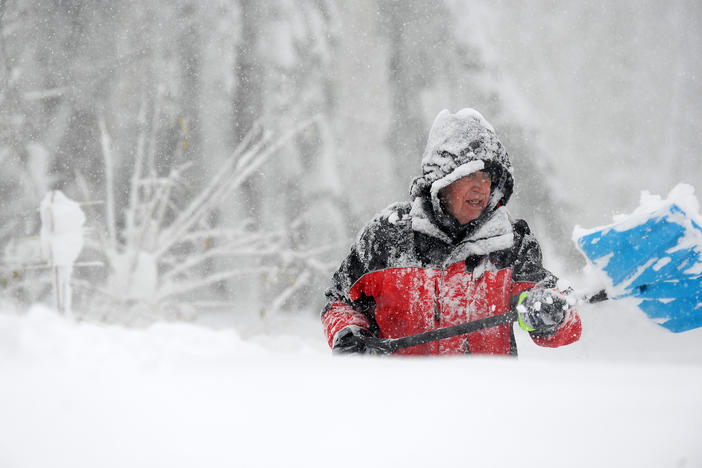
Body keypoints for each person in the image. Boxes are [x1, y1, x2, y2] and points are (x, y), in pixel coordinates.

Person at [321, 108, 581, 355]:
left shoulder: (510, 243)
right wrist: (349, 334)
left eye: (488, 178)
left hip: (488, 398)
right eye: (471, 176)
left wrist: (552, 315)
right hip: (400, 398)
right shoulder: (386, 239)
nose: (482, 189)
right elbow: (339, 301)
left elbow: (560, 320)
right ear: (442, 179)